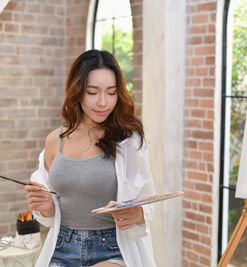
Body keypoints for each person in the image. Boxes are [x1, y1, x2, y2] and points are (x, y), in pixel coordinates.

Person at [24, 49, 156, 267]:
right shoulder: (54, 141)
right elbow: (49, 215)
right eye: (93, 92)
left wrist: (137, 213)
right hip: (61, 248)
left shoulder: (129, 141)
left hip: (112, 250)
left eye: (111, 92)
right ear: (77, 91)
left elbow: (149, 202)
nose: (103, 102)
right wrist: (46, 208)